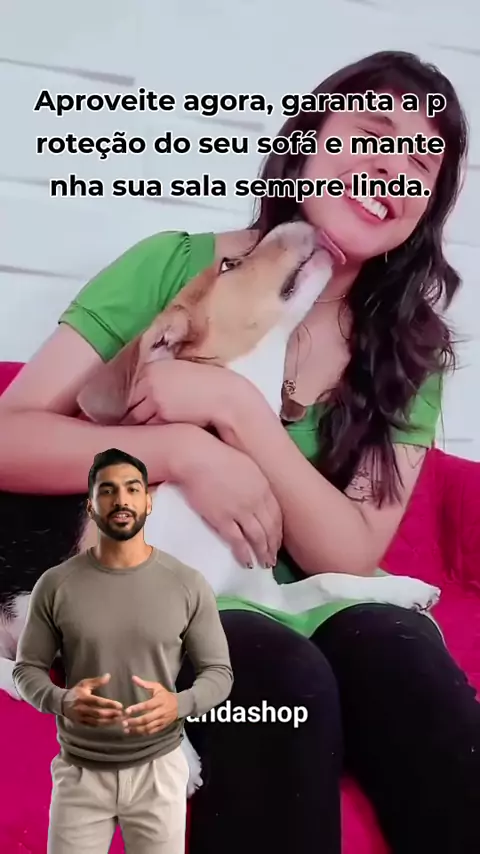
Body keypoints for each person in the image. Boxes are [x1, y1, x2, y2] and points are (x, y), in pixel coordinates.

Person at [1, 48, 479, 854]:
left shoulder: (411, 349)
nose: (393, 168)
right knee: (281, 679)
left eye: (422, 164)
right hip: (189, 603)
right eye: (374, 133)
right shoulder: (175, 267)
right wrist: (181, 452)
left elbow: (350, 554)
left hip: (308, 591)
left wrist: (234, 411)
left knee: (409, 666)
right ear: (306, 142)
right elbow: (10, 436)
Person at [12, 448, 233, 854]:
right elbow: (28, 669)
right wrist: (58, 699)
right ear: (90, 506)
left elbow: (219, 672)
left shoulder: (186, 582)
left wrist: (179, 705)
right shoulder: (56, 585)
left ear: (149, 500)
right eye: (108, 493)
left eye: (132, 491)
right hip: (82, 768)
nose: (121, 504)